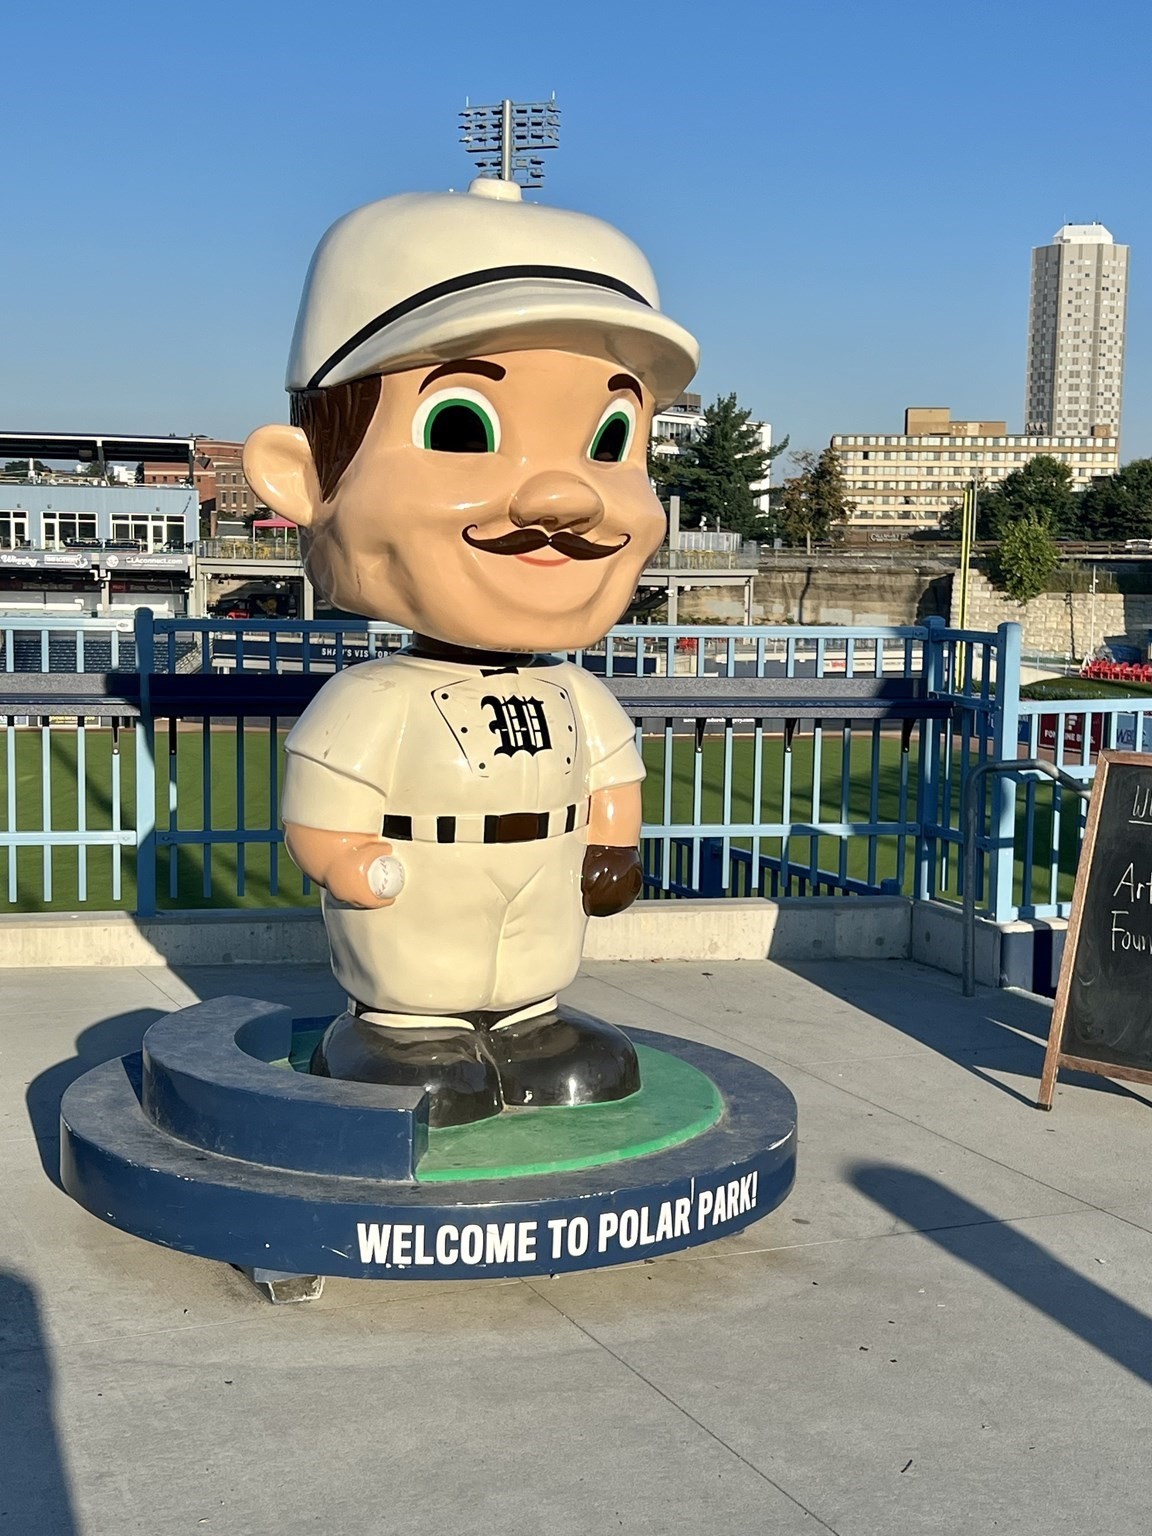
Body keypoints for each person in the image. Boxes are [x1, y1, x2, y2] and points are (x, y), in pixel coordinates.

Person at [243, 171, 698, 1126]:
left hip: (544, 877)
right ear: (303, 476)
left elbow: (613, 775)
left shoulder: (576, 693)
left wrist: (613, 843)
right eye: (461, 427)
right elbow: (322, 807)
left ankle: (530, 1027)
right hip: (418, 888)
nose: (565, 498)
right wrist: (345, 860)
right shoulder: (377, 699)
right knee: (421, 1004)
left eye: (611, 437)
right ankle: (402, 1031)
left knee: (535, 976)